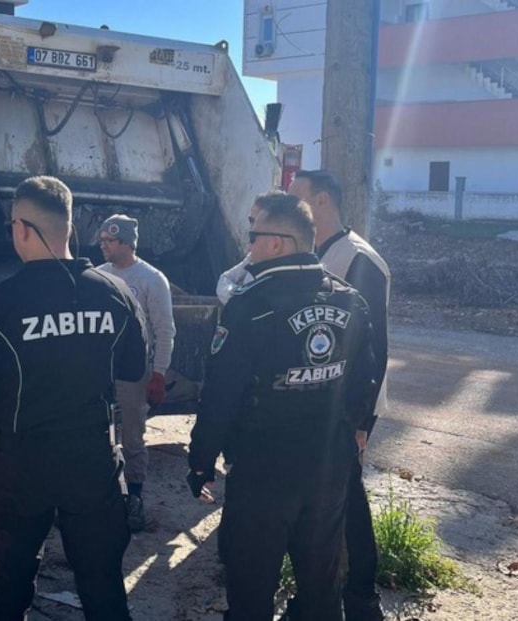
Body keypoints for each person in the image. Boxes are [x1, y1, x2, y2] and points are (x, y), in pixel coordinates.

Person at [0, 176, 147, 621]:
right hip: (92, 461)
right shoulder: (116, 294)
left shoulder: (0, 305)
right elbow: (133, 369)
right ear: (68, 228)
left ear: (22, 229)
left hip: (21, 465)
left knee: (7, 590)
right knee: (105, 591)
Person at [187, 192, 378, 621]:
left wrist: (200, 462)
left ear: (277, 243)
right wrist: (349, 434)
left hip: (263, 471)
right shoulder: (349, 300)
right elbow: (364, 379)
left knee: (251, 588)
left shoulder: (249, 307)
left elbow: (220, 396)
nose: (249, 246)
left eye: (253, 236)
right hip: (328, 468)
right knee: (322, 588)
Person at [287, 169, 390, 621]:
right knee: (318, 505)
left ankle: (362, 597)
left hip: (347, 410)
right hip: (317, 405)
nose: (290, 206)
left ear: (322, 201)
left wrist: (361, 422)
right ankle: (317, 594)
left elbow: (374, 348)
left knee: (347, 505)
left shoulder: (358, 258)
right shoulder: (315, 252)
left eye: (297, 197)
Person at [97, 214, 176, 532]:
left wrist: (158, 373)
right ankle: (100, 495)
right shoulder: (98, 275)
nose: (104, 246)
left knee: (132, 435)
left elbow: (164, 329)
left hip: (134, 371)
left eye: (111, 241)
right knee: (97, 433)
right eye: (102, 240)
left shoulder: (151, 279)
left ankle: (135, 497)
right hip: (102, 368)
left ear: (128, 243)